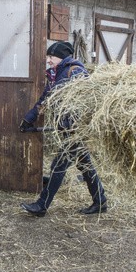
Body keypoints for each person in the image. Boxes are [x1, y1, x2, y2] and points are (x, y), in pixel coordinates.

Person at [19, 41, 107, 217]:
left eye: (51, 57)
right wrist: (29, 119)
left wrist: (70, 123)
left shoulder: (75, 72)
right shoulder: (56, 73)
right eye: (48, 57)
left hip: (76, 130)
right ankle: (100, 202)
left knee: (58, 166)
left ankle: (42, 205)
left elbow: (83, 102)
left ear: (61, 57)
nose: (49, 61)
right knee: (86, 166)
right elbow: (45, 99)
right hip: (67, 129)